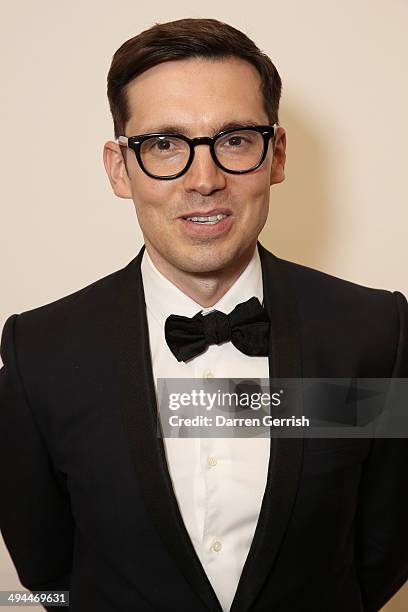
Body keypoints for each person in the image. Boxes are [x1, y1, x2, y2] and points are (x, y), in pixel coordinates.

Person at [1, 17, 407, 612]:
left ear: (277, 154)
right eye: (164, 144)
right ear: (120, 168)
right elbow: (48, 572)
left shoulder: (376, 333)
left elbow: (384, 548)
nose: (205, 179)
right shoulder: (39, 352)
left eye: (236, 139)